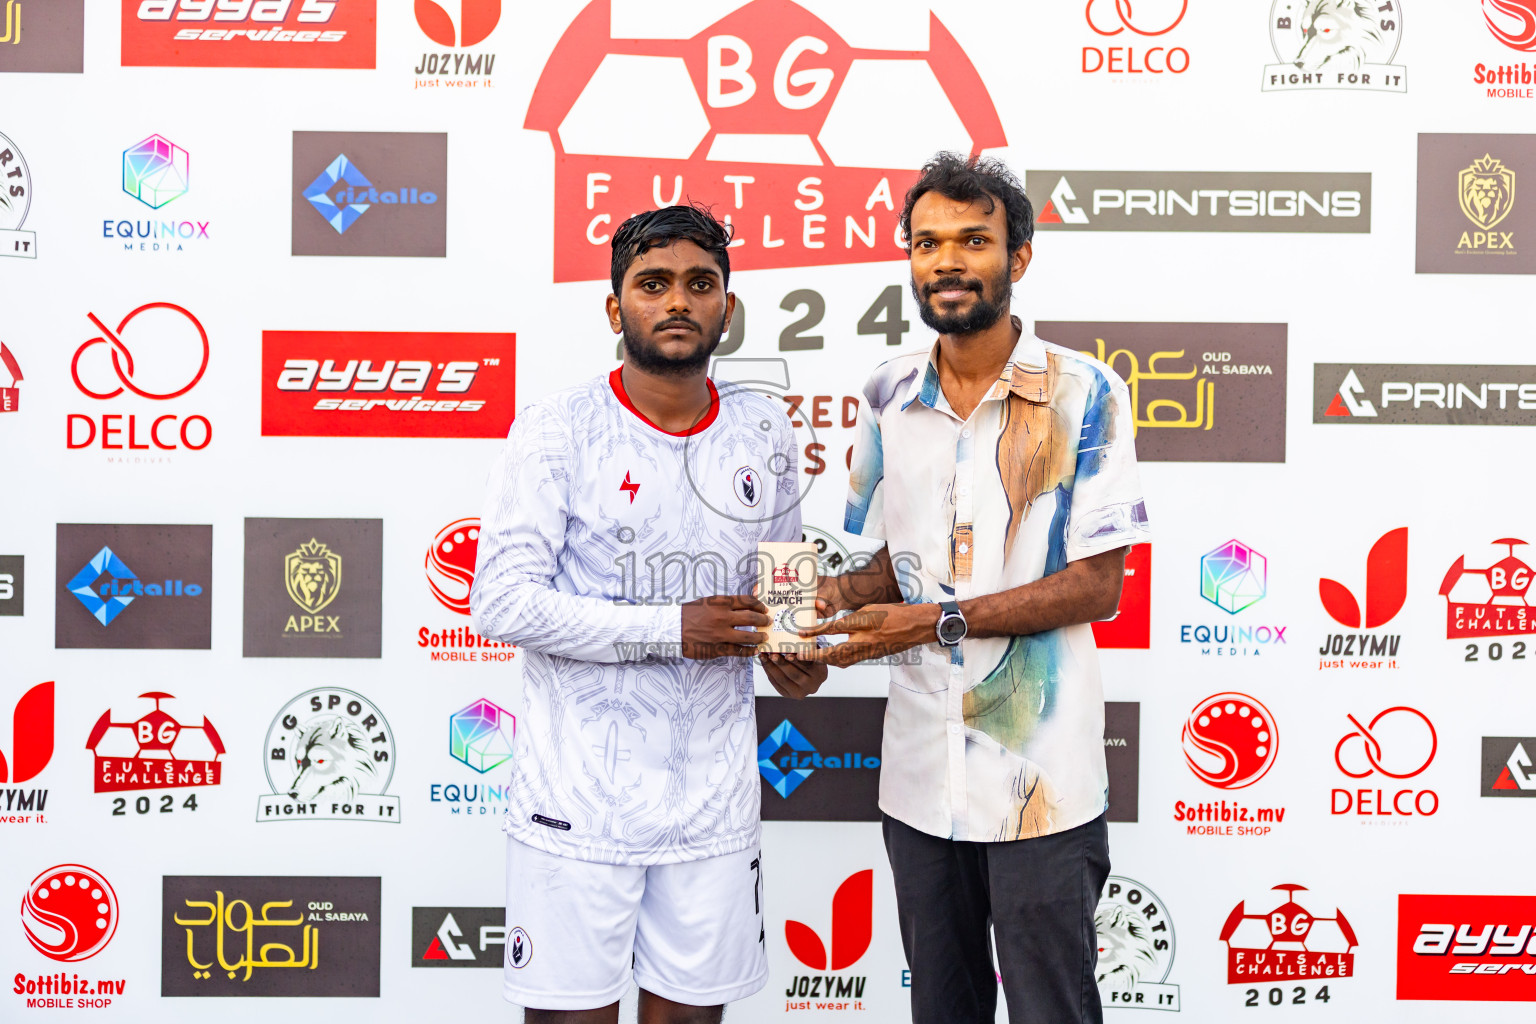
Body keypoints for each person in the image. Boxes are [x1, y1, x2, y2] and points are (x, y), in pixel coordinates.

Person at [801, 153, 1151, 1024]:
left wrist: (933, 619)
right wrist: (811, 611)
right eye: (927, 243)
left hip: (1041, 780)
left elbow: (1097, 586)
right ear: (908, 259)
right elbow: (885, 563)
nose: (947, 262)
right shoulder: (886, 395)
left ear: (1018, 257)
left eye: (973, 241)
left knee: (1050, 1011)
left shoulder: (1086, 394)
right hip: (920, 782)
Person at [471, 204, 827, 1024]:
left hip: (713, 807)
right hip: (577, 807)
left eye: (700, 284)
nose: (678, 302)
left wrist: (796, 654)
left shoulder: (764, 425)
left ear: (726, 309)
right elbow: (500, 600)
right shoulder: (556, 429)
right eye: (653, 284)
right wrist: (671, 627)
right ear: (614, 307)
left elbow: (785, 600)